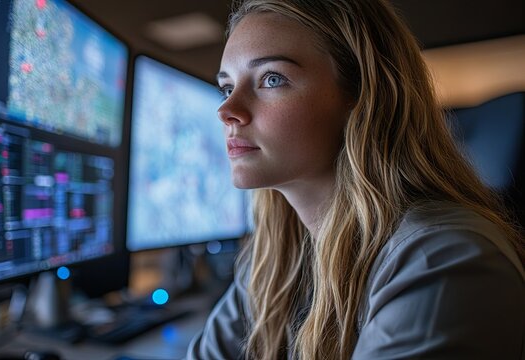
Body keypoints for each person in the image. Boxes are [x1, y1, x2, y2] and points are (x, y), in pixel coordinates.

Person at [186, 0, 525, 359]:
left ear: (363, 97)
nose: (226, 111)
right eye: (226, 88)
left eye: (272, 79)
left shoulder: (444, 260)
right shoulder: (273, 257)